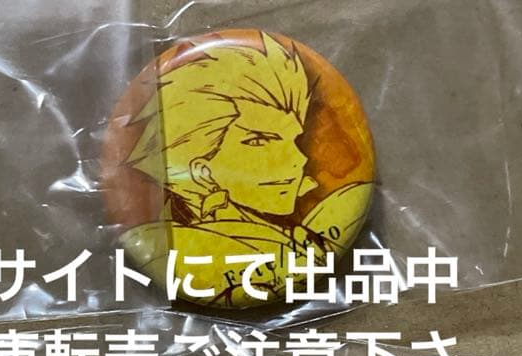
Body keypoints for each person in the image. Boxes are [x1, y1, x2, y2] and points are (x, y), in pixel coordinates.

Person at [121, 31, 372, 306]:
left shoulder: (317, 221)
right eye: (260, 141)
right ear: (201, 171)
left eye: (294, 140)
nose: (299, 159)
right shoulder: (169, 247)